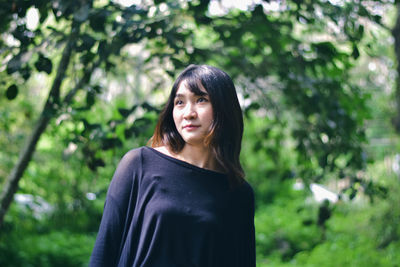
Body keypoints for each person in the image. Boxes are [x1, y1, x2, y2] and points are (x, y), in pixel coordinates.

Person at [89, 64, 256, 267]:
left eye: (201, 100)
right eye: (179, 102)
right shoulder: (139, 165)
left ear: (224, 108)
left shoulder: (238, 193)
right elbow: (104, 252)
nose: (188, 113)